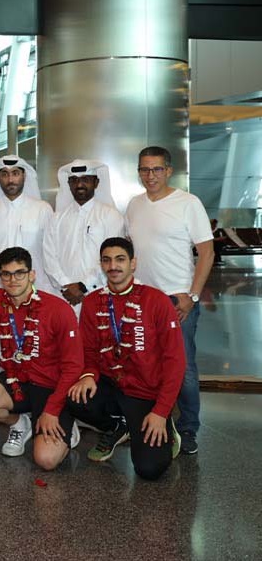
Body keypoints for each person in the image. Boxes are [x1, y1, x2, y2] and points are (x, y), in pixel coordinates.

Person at [66, 238, 186, 480]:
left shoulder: (156, 301)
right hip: (112, 386)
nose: (113, 266)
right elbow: (88, 351)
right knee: (75, 397)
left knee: (150, 469)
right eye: (107, 260)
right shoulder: (91, 302)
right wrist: (88, 376)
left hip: (145, 393)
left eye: (120, 259)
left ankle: (164, 425)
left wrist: (161, 412)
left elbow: (175, 361)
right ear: (101, 264)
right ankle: (117, 426)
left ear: (133, 263)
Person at [124, 145, 214, 455]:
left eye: (157, 169)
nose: (150, 176)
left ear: (169, 170)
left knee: (184, 367)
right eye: (144, 170)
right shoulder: (134, 205)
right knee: (144, 365)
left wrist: (191, 296)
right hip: (143, 302)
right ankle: (151, 421)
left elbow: (207, 252)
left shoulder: (188, 203)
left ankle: (188, 428)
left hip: (177, 300)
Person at [0, 247, 83, 470]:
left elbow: (73, 366)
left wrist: (51, 410)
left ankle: (68, 429)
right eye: (6, 274)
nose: (13, 280)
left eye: (19, 273)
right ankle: (20, 424)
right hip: (16, 380)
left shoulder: (59, 309)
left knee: (46, 460)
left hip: (52, 388)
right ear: (0, 277)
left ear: (32, 275)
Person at [42, 159, 125, 310]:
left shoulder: (111, 216)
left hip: (100, 294)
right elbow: (49, 257)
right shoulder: (57, 218)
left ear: (96, 183)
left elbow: (113, 258)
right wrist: (66, 285)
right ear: (68, 184)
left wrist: (83, 286)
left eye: (85, 180)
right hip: (64, 296)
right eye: (74, 180)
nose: (79, 185)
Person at [0, 155, 54, 294]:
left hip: (35, 288)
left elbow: (50, 254)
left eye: (15, 173)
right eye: (5, 174)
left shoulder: (42, 210)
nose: (10, 180)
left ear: (24, 176)